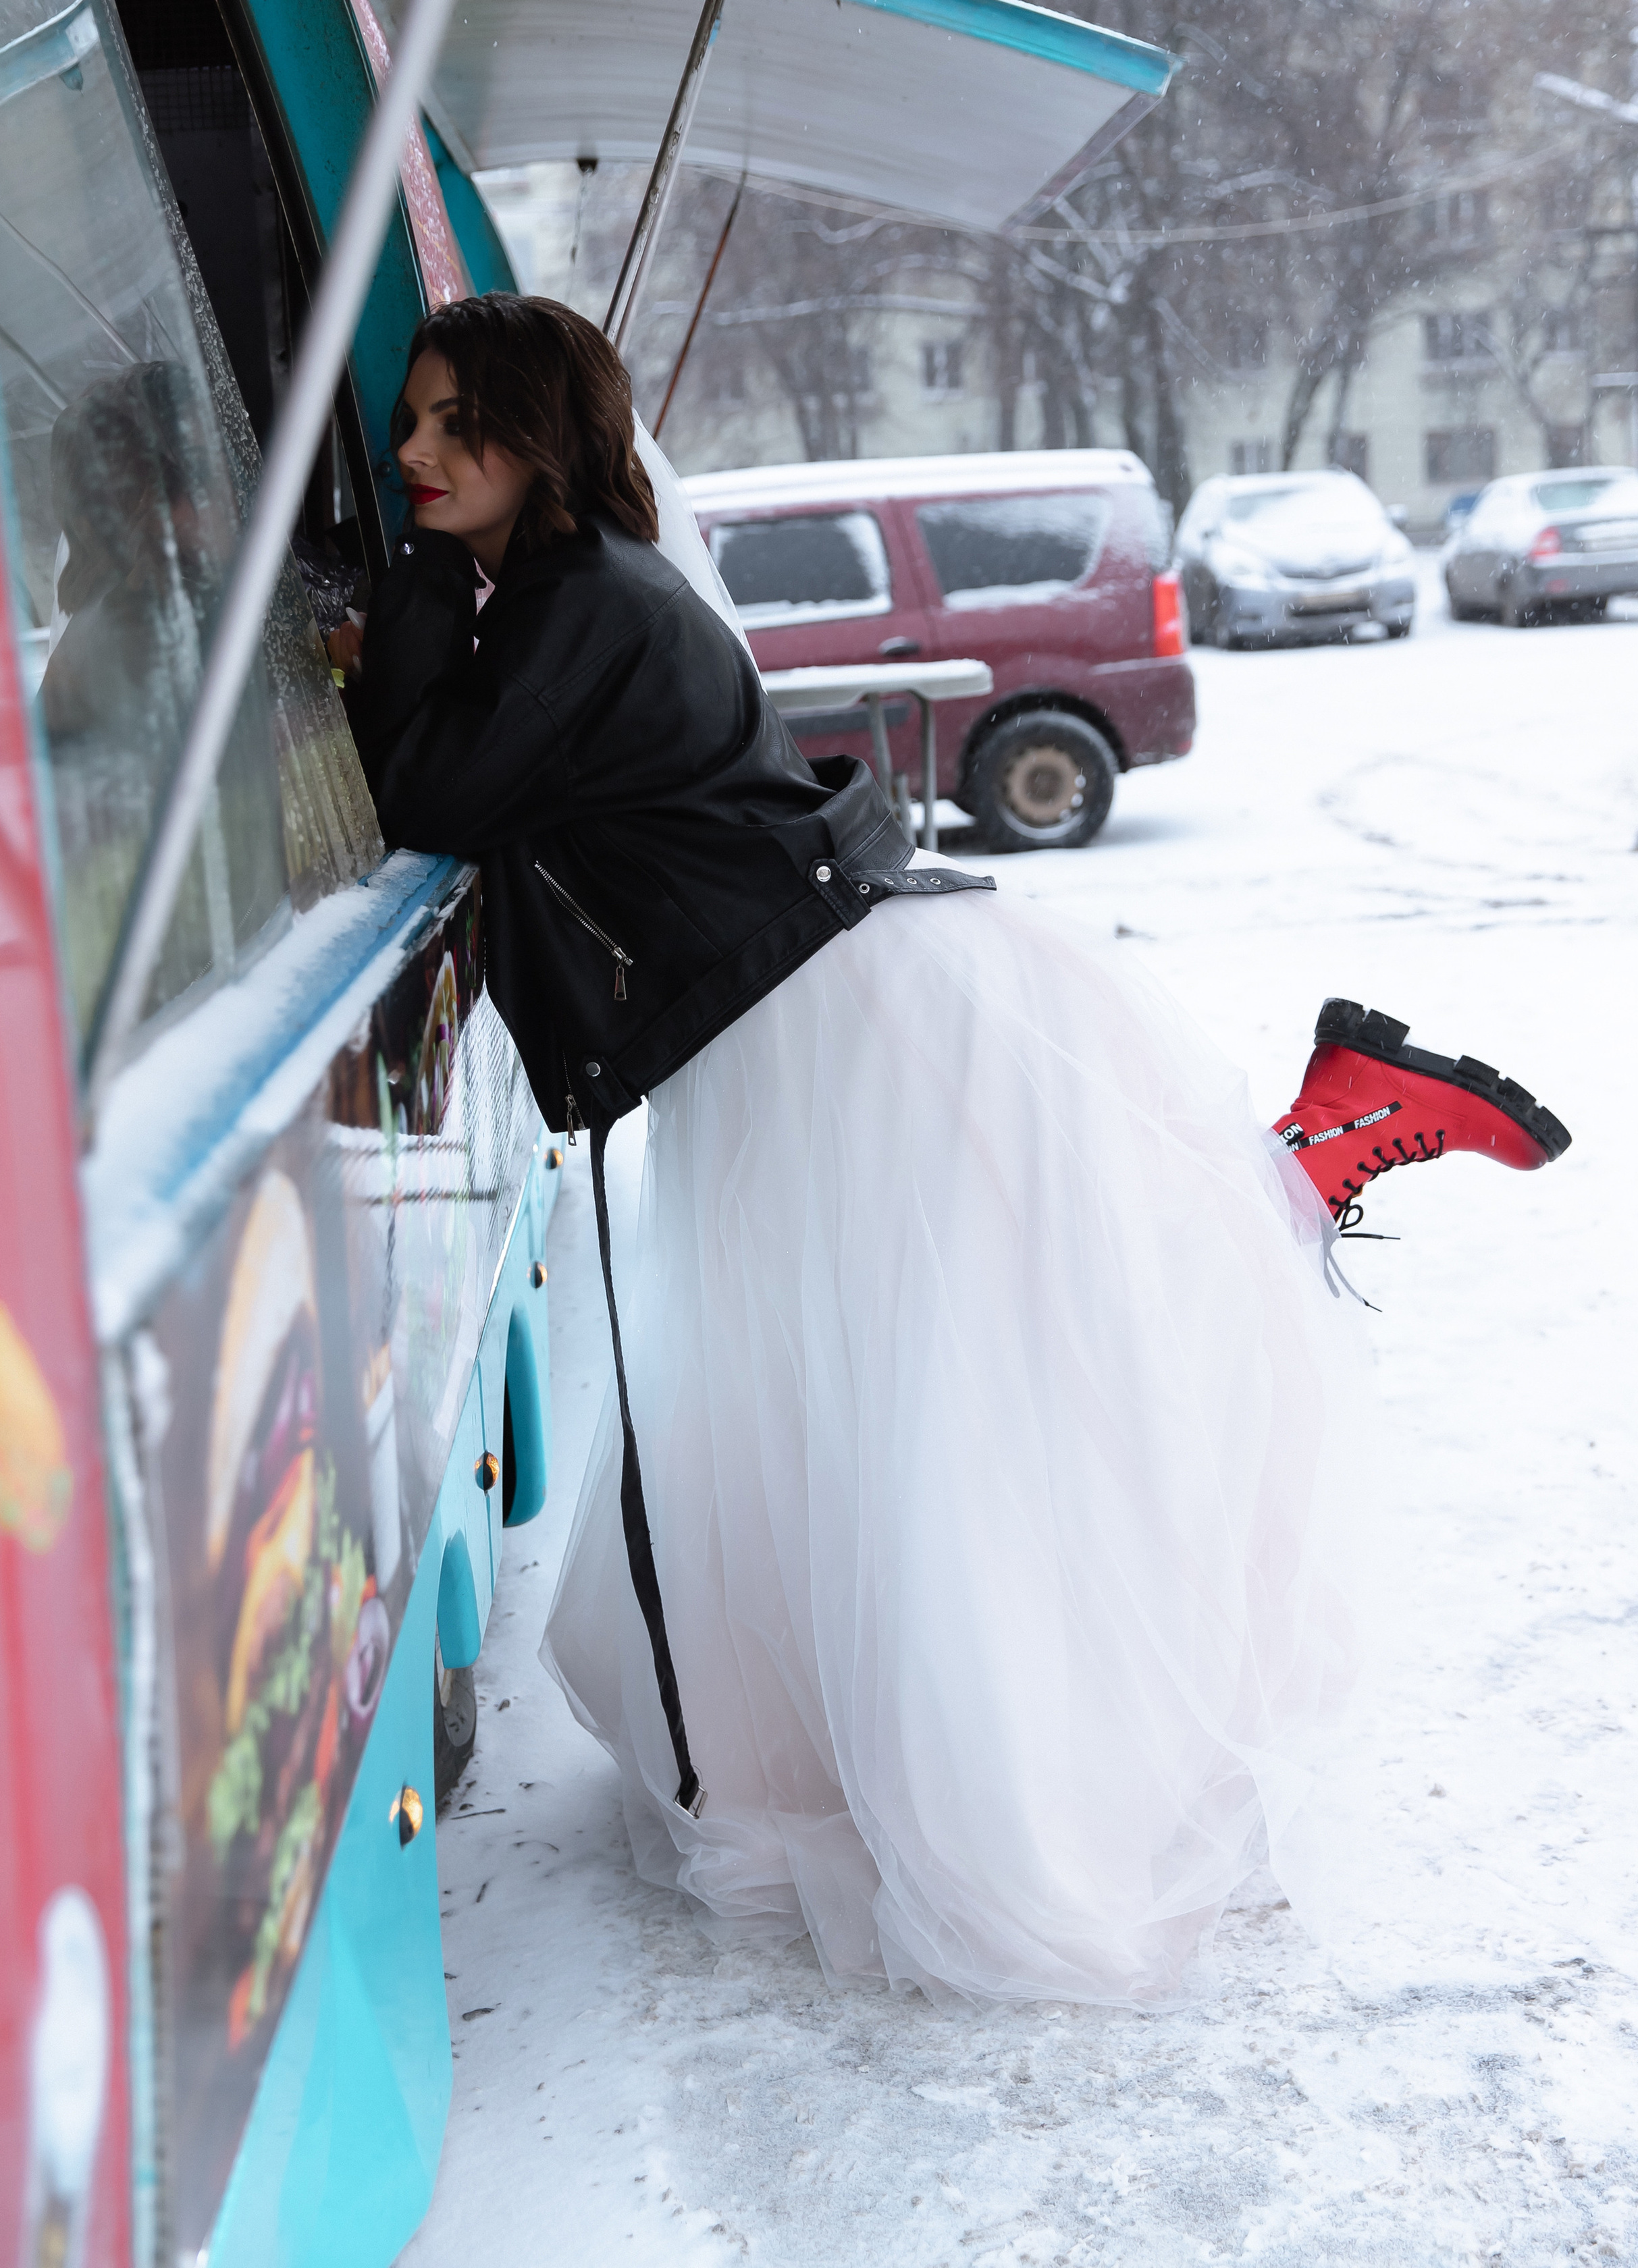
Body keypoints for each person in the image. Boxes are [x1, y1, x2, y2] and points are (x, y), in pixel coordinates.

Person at [353, 294, 1570, 2008]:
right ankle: (1314, 1139)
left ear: (532, 436)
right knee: (1002, 1334)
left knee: (989, 1368)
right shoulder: (584, 593)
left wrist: (400, 600)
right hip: (821, 997)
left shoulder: (576, 604)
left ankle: (1323, 1143)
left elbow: (432, 793)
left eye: (446, 421)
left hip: (837, 1013)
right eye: (405, 421)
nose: (409, 453)